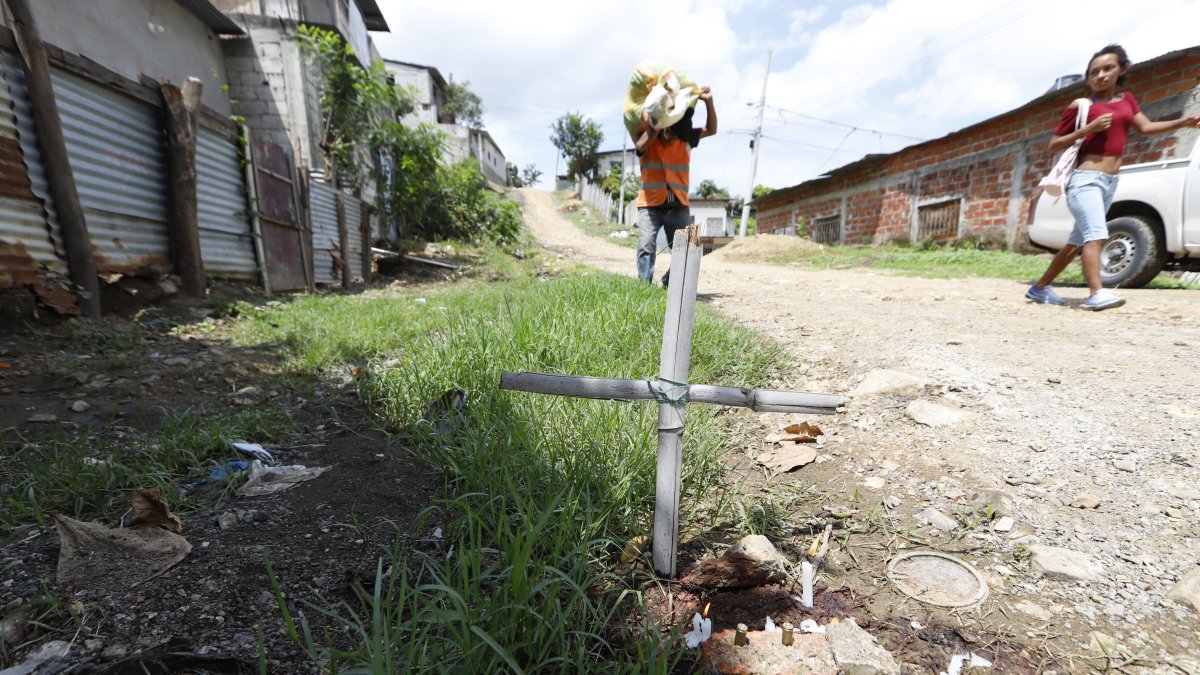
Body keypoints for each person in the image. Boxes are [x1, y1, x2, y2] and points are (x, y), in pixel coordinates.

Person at [1026, 44, 1200, 310]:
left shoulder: (1127, 100)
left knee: (1076, 242)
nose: (1101, 75)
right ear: (1088, 78)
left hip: (1109, 182)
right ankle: (1096, 293)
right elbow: (1053, 144)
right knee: (1096, 234)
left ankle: (1039, 288)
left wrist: (1182, 123)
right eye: (1094, 72)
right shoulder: (1081, 106)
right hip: (1084, 180)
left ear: (1122, 69)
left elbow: (1146, 127)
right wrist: (1088, 128)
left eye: (1108, 68)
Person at [634, 85, 717, 286]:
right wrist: (657, 122)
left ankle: (670, 282)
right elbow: (640, 147)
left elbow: (712, 129)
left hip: (678, 204)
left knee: (691, 245)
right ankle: (643, 288)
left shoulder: (686, 138)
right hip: (650, 204)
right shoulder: (648, 137)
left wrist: (709, 102)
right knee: (646, 247)